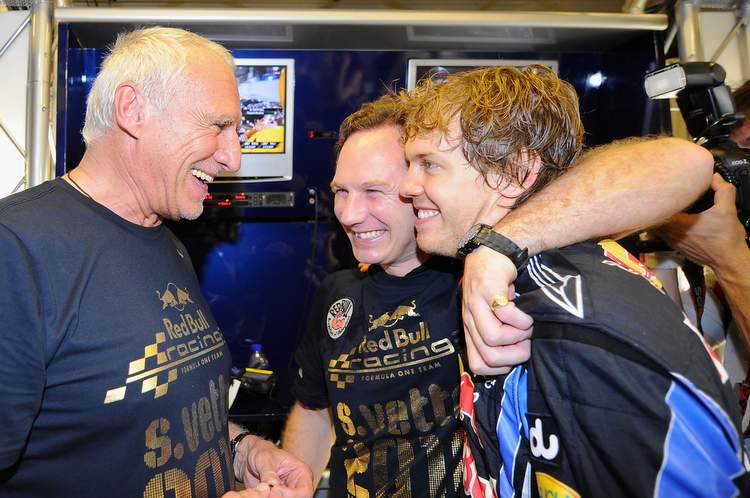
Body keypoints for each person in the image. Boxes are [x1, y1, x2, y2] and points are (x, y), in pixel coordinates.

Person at [282, 89, 715, 495]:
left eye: (375, 191)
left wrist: (496, 249)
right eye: (341, 191)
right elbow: (316, 408)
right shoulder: (337, 291)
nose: (349, 213)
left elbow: (683, 163)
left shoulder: (487, 277)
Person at [398, 64, 747, 497]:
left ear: (514, 173)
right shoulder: (511, 283)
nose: (407, 186)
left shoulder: (576, 318)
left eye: (429, 164)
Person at [0, 27, 312, 498]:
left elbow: (154, 423)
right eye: (218, 125)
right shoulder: (16, 252)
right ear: (133, 109)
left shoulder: (167, 241)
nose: (233, 156)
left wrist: (243, 451)